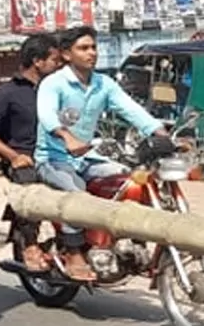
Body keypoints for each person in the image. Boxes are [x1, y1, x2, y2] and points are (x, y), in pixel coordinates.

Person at [36, 25, 167, 281]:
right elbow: (47, 114)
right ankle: (73, 251)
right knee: (77, 196)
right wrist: (66, 137)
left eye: (93, 47)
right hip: (54, 158)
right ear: (66, 54)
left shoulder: (103, 84)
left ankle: (128, 240)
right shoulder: (54, 83)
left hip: (88, 158)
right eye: (83, 48)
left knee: (131, 181)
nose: (91, 53)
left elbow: (130, 109)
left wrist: (161, 133)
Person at [0, 33, 63, 269]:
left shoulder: (57, 91)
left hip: (57, 158)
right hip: (24, 160)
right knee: (30, 187)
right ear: (38, 61)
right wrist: (13, 157)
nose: (58, 66)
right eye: (54, 60)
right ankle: (30, 245)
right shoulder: (8, 93)